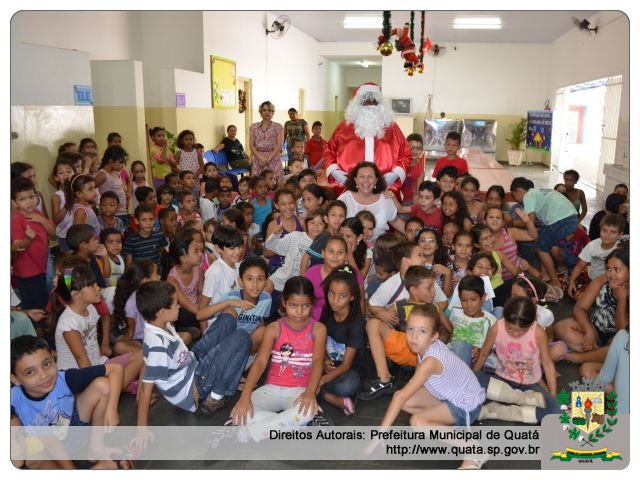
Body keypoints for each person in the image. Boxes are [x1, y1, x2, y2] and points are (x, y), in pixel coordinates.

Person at [372, 304, 486, 469]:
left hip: (466, 405)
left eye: (422, 331)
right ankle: (440, 423)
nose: (414, 336)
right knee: (405, 401)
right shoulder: (424, 348)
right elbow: (411, 389)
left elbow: (400, 395)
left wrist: (381, 432)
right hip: (454, 395)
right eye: (410, 329)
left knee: (417, 421)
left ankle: (473, 449)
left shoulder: (431, 361)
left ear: (434, 336)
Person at [135, 281, 251, 423]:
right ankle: (216, 395)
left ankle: (224, 380)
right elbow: (146, 390)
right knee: (242, 337)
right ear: (162, 312)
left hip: (191, 362)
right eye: (176, 304)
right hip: (192, 386)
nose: (179, 307)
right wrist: (141, 430)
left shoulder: (160, 324)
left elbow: (149, 362)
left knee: (228, 318)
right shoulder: (157, 344)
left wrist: (229, 303)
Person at [229, 276, 327, 441]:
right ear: (284, 302)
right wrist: (244, 397)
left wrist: (310, 392)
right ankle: (293, 428)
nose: (299, 311)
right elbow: (260, 362)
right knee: (242, 413)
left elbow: (318, 361)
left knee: (307, 410)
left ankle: (250, 433)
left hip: (300, 390)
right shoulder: (273, 328)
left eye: (306, 306)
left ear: (312, 304)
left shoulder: (318, 329)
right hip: (271, 388)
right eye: (293, 305)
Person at [10, 335, 127, 470]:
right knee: (31, 456)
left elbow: (116, 369)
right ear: (15, 379)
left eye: (47, 364)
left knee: (102, 385)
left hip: (71, 431)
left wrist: (111, 409)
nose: (43, 375)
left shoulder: (64, 378)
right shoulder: (13, 400)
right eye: (30, 372)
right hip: (48, 451)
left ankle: (96, 448)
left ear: (54, 359)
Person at [362, 245, 449, 400]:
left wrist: (435, 311)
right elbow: (374, 306)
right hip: (403, 342)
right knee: (373, 324)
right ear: (406, 261)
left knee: (426, 335)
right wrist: (383, 313)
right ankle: (384, 378)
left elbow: (444, 308)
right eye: (419, 255)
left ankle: (421, 382)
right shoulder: (394, 289)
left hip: (424, 348)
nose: (424, 258)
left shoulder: (429, 291)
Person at [53, 264, 143, 393]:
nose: (98, 288)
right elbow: (82, 360)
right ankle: (117, 389)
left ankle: (120, 388)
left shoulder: (90, 308)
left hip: (97, 364)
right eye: (92, 285)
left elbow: (92, 341)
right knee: (106, 384)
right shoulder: (69, 323)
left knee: (141, 356)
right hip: (79, 375)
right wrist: (98, 380)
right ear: (75, 294)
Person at [473, 296, 560, 424]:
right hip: (502, 380)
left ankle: (496, 411)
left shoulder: (538, 332)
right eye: (510, 329)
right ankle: (518, 399)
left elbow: (547, 364)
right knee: (471, 380)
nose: (514, 334)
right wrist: (473, 376)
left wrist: (553, 396)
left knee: (555, 410)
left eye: (521, 332)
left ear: (531, 323)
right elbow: (483, 354)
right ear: (504, 318)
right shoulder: (497, 328)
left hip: (529, 385)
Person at [323, 83, 411, 193]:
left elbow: (406, 153)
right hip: (348, 188)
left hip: (385, 189)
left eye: (374, 100)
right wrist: (335, 172)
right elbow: (328, 151)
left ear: (380, 104)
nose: (370, 104)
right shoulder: (343, 128)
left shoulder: (392, 128)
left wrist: (395, 174)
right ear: (357, 104)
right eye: (365, 100)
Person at [554, 247, 629, 364]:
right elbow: (579, 308)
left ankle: (579, 357)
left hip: (613, 339)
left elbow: (622, 332)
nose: (611, 274)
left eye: (617, 269)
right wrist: (589, 332)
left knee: (621, 346)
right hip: (593, 329)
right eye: (608, 269)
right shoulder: (603, 280)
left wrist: (622, 299)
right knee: (561, 327)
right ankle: (598, 356)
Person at [510, 177, 579, 291]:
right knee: (543, 240)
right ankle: (545, 275)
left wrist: (512, 223)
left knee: (540, 248)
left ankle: (555, 281)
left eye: (514, 196)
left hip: (561, 218)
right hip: (570, 216)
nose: (517, 200)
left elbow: (530, 221)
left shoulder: (528, 196)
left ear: (518, 190)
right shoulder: (539, 192)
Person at [318, 269, 365, 416]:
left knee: (346, 386)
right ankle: (335, 399)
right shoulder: (327, 310)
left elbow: (346, 365)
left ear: (351, 297)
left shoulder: (355, 322)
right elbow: (321, 341)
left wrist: (321, 380)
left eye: (342, 296)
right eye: (331, 293)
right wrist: (324, 361)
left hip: (349, 369)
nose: (335, 300)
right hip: (330, 364)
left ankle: (321, 393)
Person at [11, 177, 55, 310]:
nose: (29, 202)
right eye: (22, 199)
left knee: (41, 298)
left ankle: (41, 324)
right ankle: (35, 329)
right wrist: (28, 239)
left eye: (31, 197)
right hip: (27, 272)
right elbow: (16, 246)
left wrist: (41, 220)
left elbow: (53, 233)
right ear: (14, 202)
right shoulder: (17, 220)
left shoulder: (37, 213)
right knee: (34, 303)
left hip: (40, 267)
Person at [338, 162, 404, 241]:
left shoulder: (385, 199)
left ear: (376, 180)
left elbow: (396, 221)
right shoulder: (344, 199)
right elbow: (335, 227)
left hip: (379, 250)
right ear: (355, 180)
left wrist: (417, 235)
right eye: (362, 176)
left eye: (370, 177)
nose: (366, 180)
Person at [567, 214, 626, 299]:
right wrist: (572, 281)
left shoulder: (620, 249)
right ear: (600, 230)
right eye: (604, 230)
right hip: (591, 276)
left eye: (613, 232)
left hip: (609, 282)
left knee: (584, 297)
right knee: (566, 279)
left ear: (620, 235)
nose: (607, 235)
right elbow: (580, 265)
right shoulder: (592, 245)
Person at [196, 225, 243, 331]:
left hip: (236, 319)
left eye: (239, 247)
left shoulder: (239, 266)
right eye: (232, 248)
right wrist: (205, 336)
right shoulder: (215, 271)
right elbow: (200, 314)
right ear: (218, 248)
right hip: (218, 324)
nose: (237, 252)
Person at [447, 275, 497, 367]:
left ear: (483, 298)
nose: (468, 305)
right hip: (454, 357)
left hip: (477, 361)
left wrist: (481, 351)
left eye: (473, 299)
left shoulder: (491, 321)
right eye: (464, 300)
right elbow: (451, 334)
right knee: (459, 343)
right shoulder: (455, 312)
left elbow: (491, 348)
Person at [166, 228, 205, 336]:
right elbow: (186, 305)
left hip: (198, 307)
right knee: (184, 314)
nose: (201, 254)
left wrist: (202, 306)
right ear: (183, 258)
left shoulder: (199, 270)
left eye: (200, 250)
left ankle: (198, 330)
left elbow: (201, 292)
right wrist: (204, 311)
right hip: (184, 311)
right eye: (196, 251)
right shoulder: (172, 279)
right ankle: (185, 329)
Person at [123, 204, 168, 269]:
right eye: (144, 220)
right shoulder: (131, 240)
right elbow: (129, 265)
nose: (148, 223)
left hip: (157, 275)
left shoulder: (159, 235)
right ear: (136, 221)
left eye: (151, 219)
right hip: (139, 276)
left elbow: (161, 252)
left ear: (155, 220)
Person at [94, 145, 129, 228]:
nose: (122, 165)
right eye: (120, 162)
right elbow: (90, 188)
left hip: (122, 212)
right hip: (112, 215)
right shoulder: (103, 175)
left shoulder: (117, 173)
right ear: (110, 161)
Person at [250, 101, 284, 180]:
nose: (267, 112)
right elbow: (251, 145)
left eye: (269, 110)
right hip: (258, 158)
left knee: (276, 181)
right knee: (257, 181)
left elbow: (279, 145)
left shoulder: (278, 127)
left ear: (272, 112)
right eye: (264, 110)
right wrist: (260, 158)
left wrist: (268, 159)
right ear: (260, 112)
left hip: (274, 157)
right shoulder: (253, 127)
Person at [400, 133, 427, 207]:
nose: (415, 151)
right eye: (412, 147)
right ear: (405, 147)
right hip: (397, 198)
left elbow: (419, 190)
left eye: (418, 148)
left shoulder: (420, 169)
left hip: (411, 200)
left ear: (422, 150)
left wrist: (417, 199)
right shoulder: (399, 164)